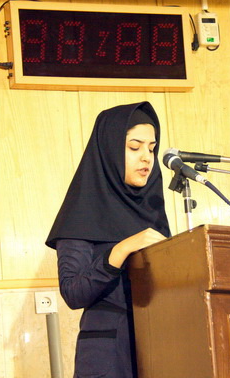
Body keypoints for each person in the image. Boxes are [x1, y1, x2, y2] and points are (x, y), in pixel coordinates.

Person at [45, 101, 171, 378]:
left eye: (151, 148)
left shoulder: (151, 208)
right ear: (109, 149)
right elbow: (73, 293)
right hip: (109, 355)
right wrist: (122, 249)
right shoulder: (82, 209)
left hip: (160, 347)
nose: (147, 158)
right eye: (135, 147)